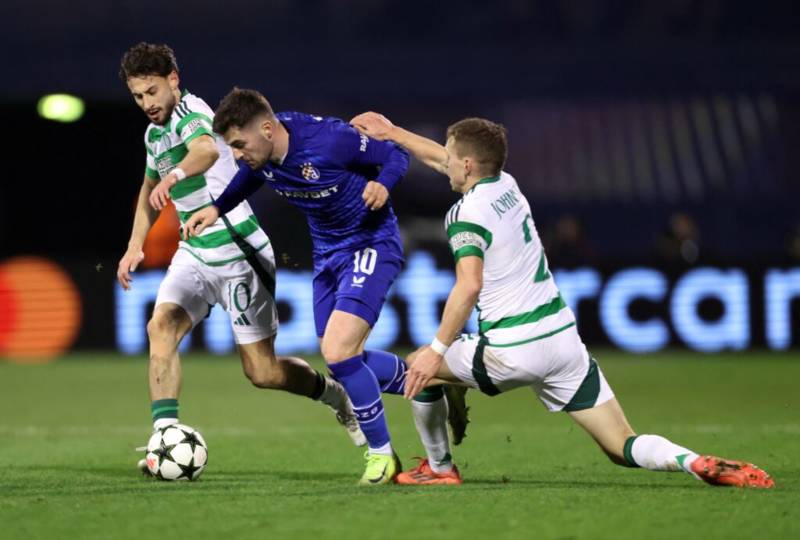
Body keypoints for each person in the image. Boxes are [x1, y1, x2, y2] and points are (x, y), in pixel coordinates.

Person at [349, 111, 774, 489]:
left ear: (468, 164)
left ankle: (440, 468)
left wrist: (438, 349)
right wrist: (394, 133)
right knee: (621, 444)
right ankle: (693, 461)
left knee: (421, 369)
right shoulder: (508, 185)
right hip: (562, 341)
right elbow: (445, 160)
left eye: (451, 153)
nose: (445, 159)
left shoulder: (464, 215)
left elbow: (469, 285)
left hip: (512, 349)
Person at [116, 43, 365, 474]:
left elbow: (206, 151)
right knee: (161, 327)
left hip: (238, 251)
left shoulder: (193, 113)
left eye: (152, 91)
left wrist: (177, 174)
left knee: (263, 373)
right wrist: (135, 244)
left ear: (173, 80)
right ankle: (165, 440)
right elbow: (149, 188)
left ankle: (334, 395)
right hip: (195, 251)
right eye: (138, 96)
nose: (147, 103)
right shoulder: (153, 135)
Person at [184, 89, 411, 484]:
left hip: (370, 243)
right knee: (341, 361)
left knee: (339, 352)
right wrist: (217, 208)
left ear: (267, 129)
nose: (235, 154)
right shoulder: (263, 155)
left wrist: (384, 184)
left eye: (239, 144)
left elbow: (395, 154)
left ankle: (382, 456)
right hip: (327, 254)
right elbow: (251, 177)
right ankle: (428, 378)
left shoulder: (330, 140)